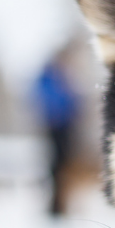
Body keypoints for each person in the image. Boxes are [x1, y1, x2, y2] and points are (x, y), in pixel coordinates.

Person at [33, 54, 77, 216]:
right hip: (55, 126)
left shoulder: (60, 79)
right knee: (56, 167)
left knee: (63, 165)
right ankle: (54, 206)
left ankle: (59, 204)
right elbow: (49, 102)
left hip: (65, 126)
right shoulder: (49, 79)